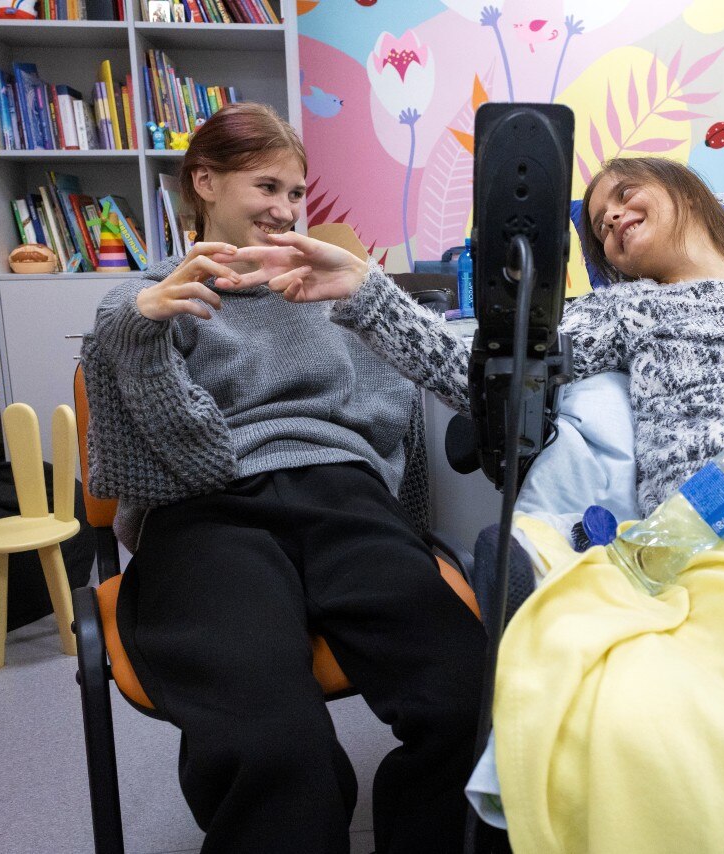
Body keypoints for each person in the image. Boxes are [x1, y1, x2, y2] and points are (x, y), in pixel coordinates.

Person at [80, 103, 485, 854]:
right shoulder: (139, 305)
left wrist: (405, 529)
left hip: (343, 498)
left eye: (297, 193)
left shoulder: (327, 287)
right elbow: (193, 460)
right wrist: (141, 337)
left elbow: (395, 430)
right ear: (204, 181)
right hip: (206, 512)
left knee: (469, 700)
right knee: (272, 746)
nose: (286, 209)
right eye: (267, 186)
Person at [230, 155, 724, 520]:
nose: (614, 217)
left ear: (687, 191)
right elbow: (483, 371)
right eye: (600, 225)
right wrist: (364, 286)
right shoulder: (623, 315)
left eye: (627, 194)